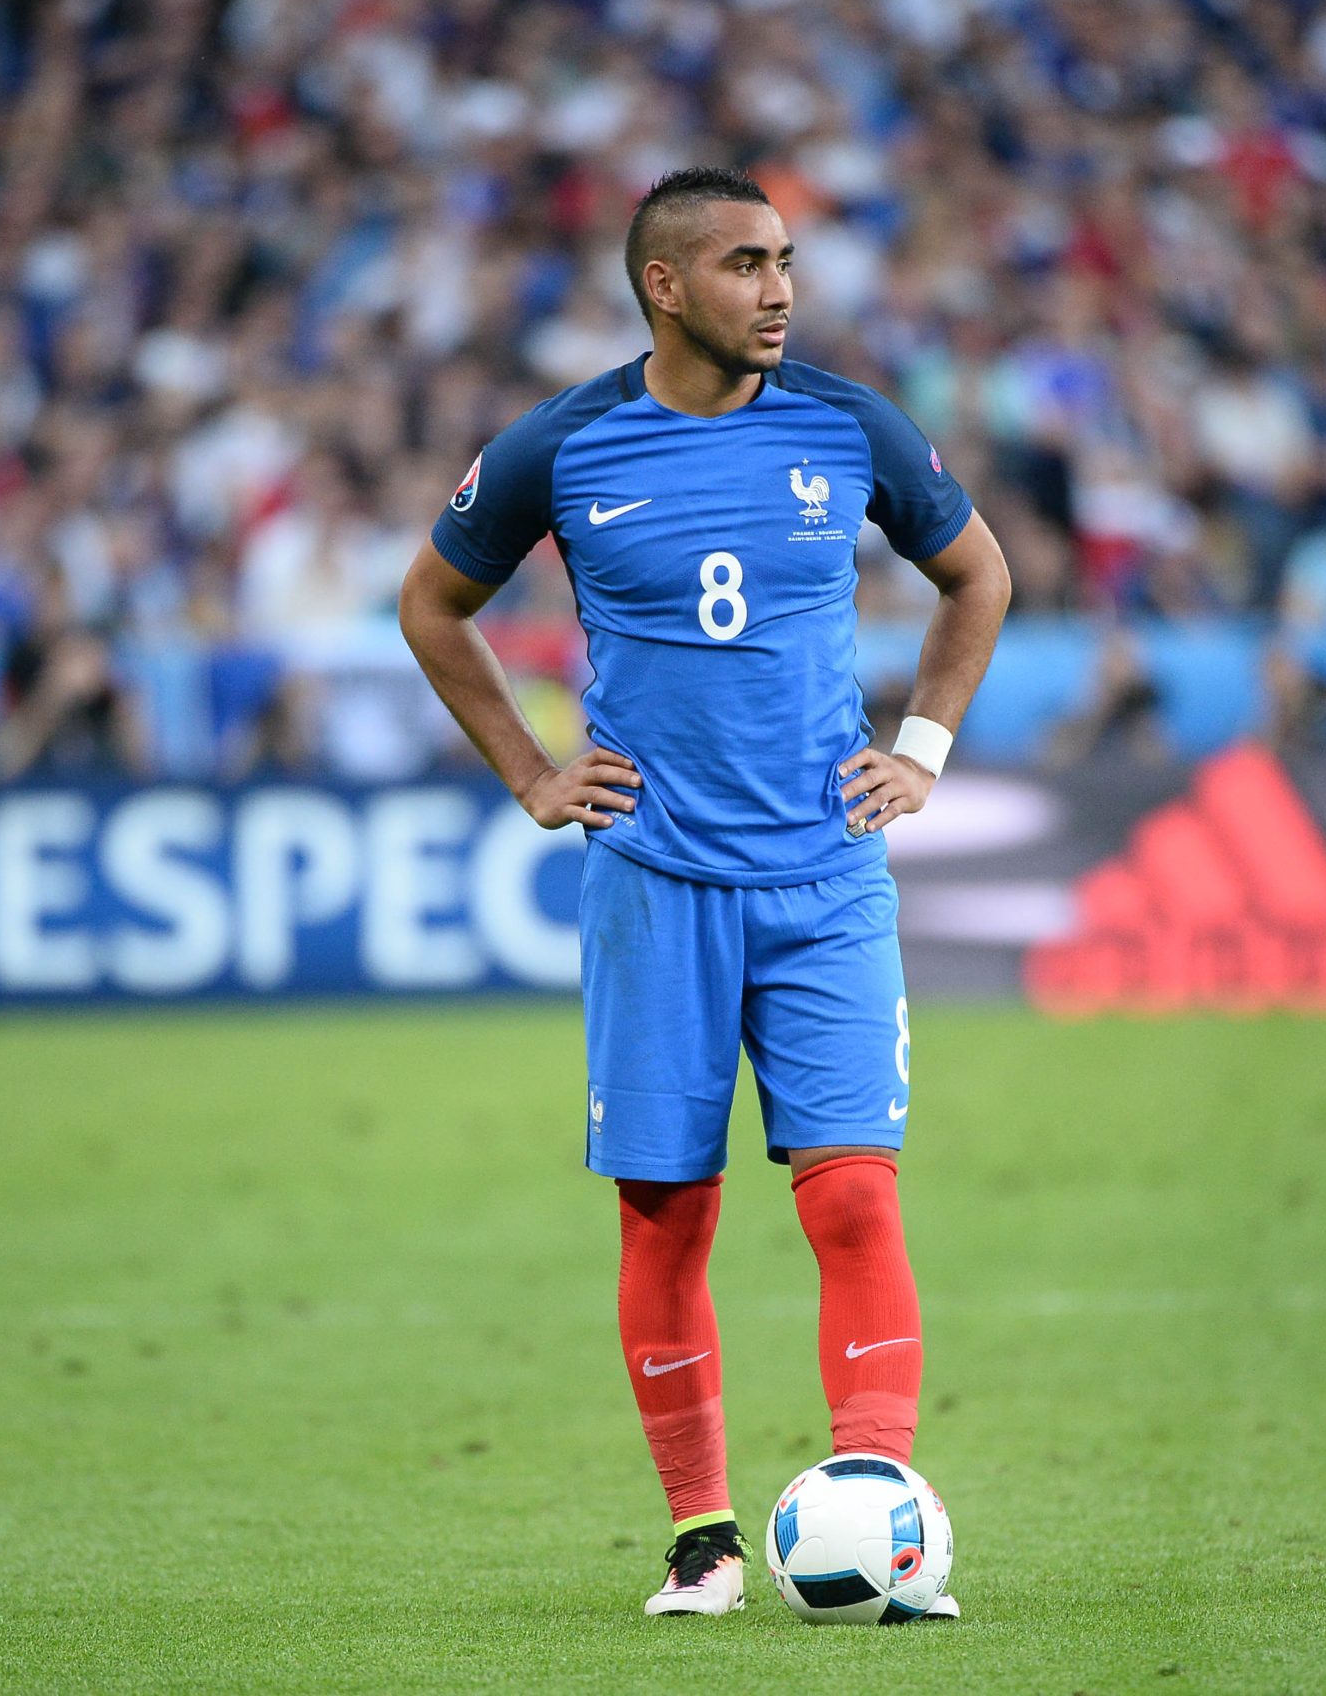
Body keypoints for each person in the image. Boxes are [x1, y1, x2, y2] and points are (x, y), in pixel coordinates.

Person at [399, 167, 1010, 1619]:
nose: (780, 288)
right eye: (746, 263)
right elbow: (431, 603)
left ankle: (878, 1506)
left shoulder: (851, 425)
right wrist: (533, 774)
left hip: (825, 877)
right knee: (666, 1214)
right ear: (664, 286)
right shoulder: (565, 444)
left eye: (785, 260)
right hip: (655, 883)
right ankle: (703, 1538)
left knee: (852, 1197)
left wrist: (922, 749)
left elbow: (977, 575)